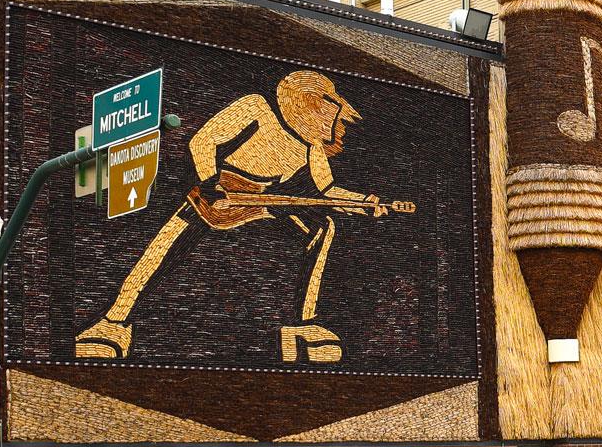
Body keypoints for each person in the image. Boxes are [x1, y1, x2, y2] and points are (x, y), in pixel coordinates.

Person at [74, 70, 405, 365]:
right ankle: (112, 323)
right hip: (220, 192)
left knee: (322, 228)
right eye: (330, 113)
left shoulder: (311, 148)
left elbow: (327, 190)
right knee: (167, 244)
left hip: (263, 200)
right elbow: (204, 141)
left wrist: (366, 203)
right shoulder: (256, 107)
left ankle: (304, 324)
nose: (333, 126)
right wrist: (210, 182)